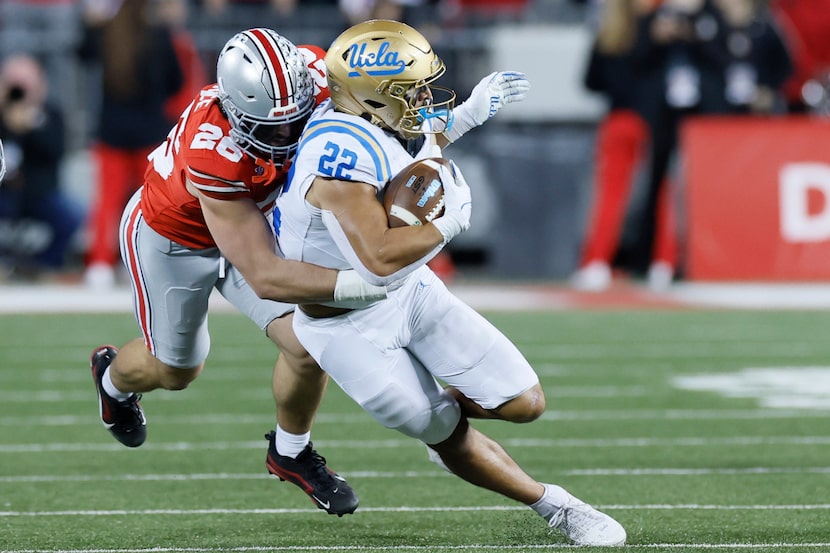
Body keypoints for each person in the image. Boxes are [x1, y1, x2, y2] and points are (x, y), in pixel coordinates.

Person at [275, 19, 626, 546]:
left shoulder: (378, 116)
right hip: (348, 324)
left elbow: (416, 136)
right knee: (444, 430)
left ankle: (437, 423)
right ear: (370, 99)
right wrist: (448, 224)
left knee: (524, 403)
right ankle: (554, 505)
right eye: (407, 89)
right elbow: (377, 262)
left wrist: (467, 115)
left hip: (411, 293)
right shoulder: (337, 157)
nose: (421, 96)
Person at [90, 28, 389, 517]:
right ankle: (112, 381)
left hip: (255, 216)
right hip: (175, 238)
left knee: (308, 341)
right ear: (234, 111)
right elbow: (267, 274)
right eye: (273, 130)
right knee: (177, 370)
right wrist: (363, 285)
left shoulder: (316, 74)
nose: (288, 137)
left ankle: (290, 453)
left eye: (296, 121)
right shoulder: (211, 151)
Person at [572, 0, 679, 292]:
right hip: (653, 121)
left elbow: (590, 81)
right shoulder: (658, 27)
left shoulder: (608, 30)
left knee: (610, 196)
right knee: (662, 193)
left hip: (617, 119)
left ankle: (596, 262)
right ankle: (663, 263)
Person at [79, 0, 184, 289]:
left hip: (111, 133)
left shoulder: (107, 32)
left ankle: (99, 265)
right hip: (149, 134)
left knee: (107, 203)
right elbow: (176, 81)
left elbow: (82, 55)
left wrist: (90, 22)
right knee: (151, 203)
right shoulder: (159, 35)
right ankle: (149, 262)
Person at [0, 54, 84, 279]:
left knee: (72, 215)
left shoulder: (50, 113)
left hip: (38, 192)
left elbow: (55, 150)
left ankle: (43, 265)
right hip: (4, 192)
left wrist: (29, 127)